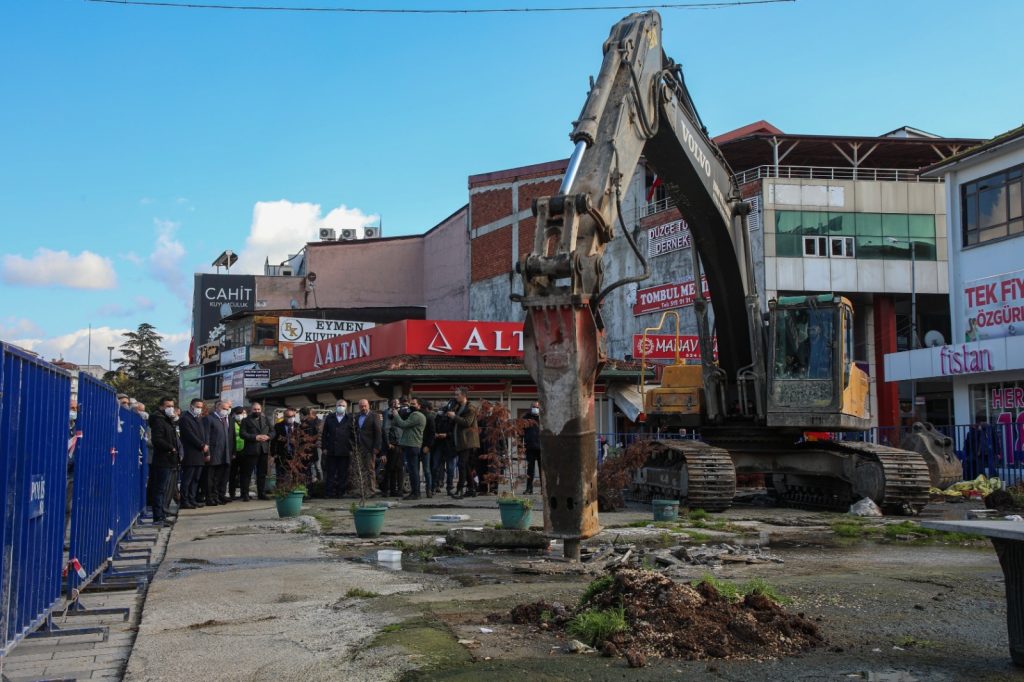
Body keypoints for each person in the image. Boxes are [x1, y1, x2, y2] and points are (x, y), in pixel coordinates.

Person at [148, 397, 181, 526]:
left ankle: (162, 513)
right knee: (159, 489)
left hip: (170, 459)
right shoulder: (158, 420)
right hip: (163, 459)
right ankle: (158, 517)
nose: (170, 408)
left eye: (172, 406)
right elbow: (158, 439)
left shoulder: (168, 420)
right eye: (168, 406)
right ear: (161, 407)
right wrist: (171, 448)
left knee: (164, 489)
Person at [391, 397, 427, 500]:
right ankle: (414, 492)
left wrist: (396, 414)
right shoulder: (415, 414)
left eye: (414, 404)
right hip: (411, 445)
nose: (411, 405)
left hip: (412, 445)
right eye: (411, 403)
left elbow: (403, 424)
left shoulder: (416, 415)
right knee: (412, 470)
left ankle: (416, 493)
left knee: (413, 470)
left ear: (419, 405)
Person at [448, 387, 479, 498]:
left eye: (457, 395)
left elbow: (467, 422)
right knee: (465, 466)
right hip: (460, 441)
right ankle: (472, 488)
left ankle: (459, 490)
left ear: (464, 395)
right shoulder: (457, 407)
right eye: (455, 394)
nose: (455, 397)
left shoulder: (470, 408)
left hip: (468, 441)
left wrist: (454, 416)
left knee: (461, 465)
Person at [239, 401, 274, 500]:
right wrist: (255, 437)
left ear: (261, 410)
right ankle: (245, 494)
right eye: (255, 409)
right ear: (251, 410)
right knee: (247, 473)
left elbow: (273, 431)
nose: (257, 411)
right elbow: (242, 434)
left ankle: (261, 493)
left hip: (263, 450)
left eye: (258, 409)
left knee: (262, 474)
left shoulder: (265, 419)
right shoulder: (246, 420)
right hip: (251, 450)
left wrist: (268, 437)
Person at [178, 399, 209, 509]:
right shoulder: (185, 419)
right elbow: (189, 435)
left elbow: (203, 435)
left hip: (199, 454)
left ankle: (192, 499)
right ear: (191, 406)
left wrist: (205, 447)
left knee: (196, 479)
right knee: (188, 479)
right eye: (197, 406)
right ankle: (184, 500)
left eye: (201, 407)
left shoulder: (199, 419)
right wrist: (201, 445)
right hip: (190, 454)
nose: (199, 409)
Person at [322, 400, 355, 498]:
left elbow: (354, 435)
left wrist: (352, 449)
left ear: (346, 407)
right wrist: (324, 447)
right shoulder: (329, 417)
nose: (341, 407)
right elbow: (324, 434)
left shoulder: (350, 418)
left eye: (343, 405)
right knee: (330, 473)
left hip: (345, 450)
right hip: (331, 449)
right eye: (339, 405)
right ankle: (329, 493)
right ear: (335, 406)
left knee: (343, 473)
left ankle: (341, 493)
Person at [204, 399, 233, 505]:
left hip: (223, 454)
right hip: (213, 453)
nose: (225, 411)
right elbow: (206, 436)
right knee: (210, 478)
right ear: (217, 408)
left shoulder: (224, 420)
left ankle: (216, 496)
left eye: (227, 409)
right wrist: (207, 453)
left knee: (218, 478)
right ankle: (209, 497)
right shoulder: (209, 419)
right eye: (223, 408)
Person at [353, 398, 382, 499]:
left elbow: (378, 432)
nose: (363, 408)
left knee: (370, 469)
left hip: (370, 447)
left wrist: (377, 447)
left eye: (365, 406)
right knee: (360, 469)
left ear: (368, 405)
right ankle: (362, 490)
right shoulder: (357, 417)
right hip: (359, 447)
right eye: (361, 406)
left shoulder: (374, 416)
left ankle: (371, 490)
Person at [382, 398, 406, 497]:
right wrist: (388, 443)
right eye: (395, 402)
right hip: (393, 444)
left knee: (397, 468)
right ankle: (391, 490)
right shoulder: (389, 413)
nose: (397, 404)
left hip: (400, 443)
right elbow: (385, 428)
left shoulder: (400, 413)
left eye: (398, 402)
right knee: (392, 468)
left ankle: (396, 490)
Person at [432, 400, 457, 496]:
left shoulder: (453, 417)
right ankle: (434, 486)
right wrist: (435, 434)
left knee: (450, 468)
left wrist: (446, 435)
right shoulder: (438, 417)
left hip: (450, 445)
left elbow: (455, 432)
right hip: (439, 444)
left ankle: (449, 487)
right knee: (435, 467)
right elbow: (434, 427)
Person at [273, 408, 301, 486]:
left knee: (294, 474)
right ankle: (280, 490)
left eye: (292, 416)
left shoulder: (298, 426)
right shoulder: (278, 426)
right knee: (280, 474)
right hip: (281, 454)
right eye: (288, 416)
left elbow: (301, 441)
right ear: (284, 417)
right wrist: (274, 453)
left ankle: (293, 488)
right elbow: (274, 441)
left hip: (294, 454)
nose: (290, 418)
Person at [297, 407, 322, 486]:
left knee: (311, 469)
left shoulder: (308, 424)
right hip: (310, 450)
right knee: (311, 470)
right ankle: (313, 486)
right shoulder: (308, 423)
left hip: (310, 450)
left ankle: (312, 487)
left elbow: (312, 437)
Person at [523, 401, 542, 495]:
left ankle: (544, 489)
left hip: (541, 448)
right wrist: (520, 445)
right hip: (530, 447)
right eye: (534, 407)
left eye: (537, 407)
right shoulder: (526, 418)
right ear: (530, 408)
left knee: (542, 469)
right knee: (530, 470)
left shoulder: (543, 418)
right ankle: (529, 488)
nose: (535, 408)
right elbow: (521, 432)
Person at [228, 406, 247, 498]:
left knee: (244, 474)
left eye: (242, 413)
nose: (240, 415)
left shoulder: (246, 422)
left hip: (244, 451)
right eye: (238, 414)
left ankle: (244, 493)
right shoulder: (231, 423)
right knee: (233, 474)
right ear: (234, 414)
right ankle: (232, 494)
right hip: (234, 452)